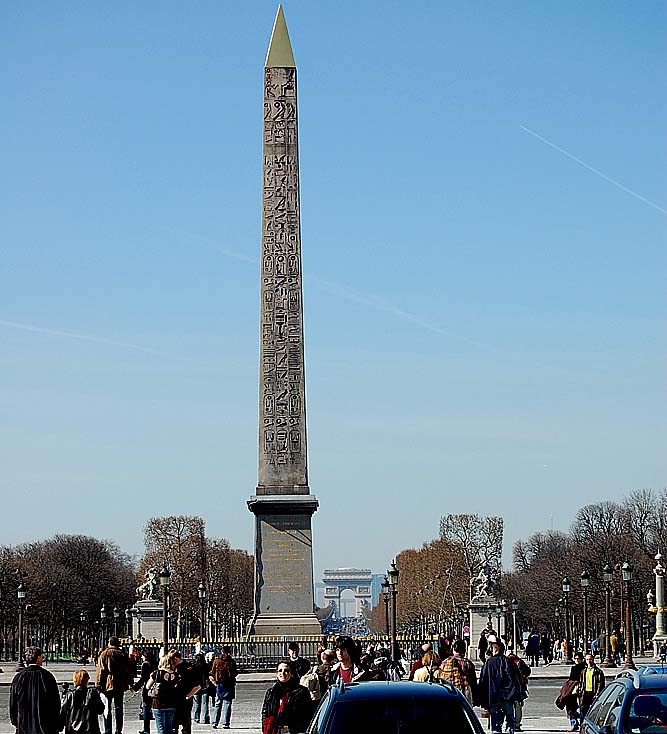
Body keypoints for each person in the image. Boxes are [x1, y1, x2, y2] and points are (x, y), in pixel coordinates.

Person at [9, 646, 61, 734]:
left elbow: (13, 704)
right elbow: (55, 703)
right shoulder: (47, 677)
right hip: (45, 726)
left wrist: (16, 722)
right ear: (38, 658)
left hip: (24, 725)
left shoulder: (18, 678)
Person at [478, 640, 523, 734]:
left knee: (495, 723)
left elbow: (483, 682)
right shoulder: (509, 662)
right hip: (508, 696)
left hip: (493, 696)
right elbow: (516, 680)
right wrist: (518, 695)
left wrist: (482, 699)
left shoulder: (488, 664)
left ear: (494, 650)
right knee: (510, 719)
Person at [261, 660, 313, 734]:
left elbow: (307, 714)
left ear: (291, 674)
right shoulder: (271, 692)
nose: (282, 673)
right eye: (280, 671)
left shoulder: (301, 691)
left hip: (292, 730)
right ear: (277, 673)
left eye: (286, 671)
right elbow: (265, 713)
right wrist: (265, 728)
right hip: (273, 729)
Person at [96, 636, 134, 734]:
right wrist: (130, 682)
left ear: (109, 643)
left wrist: (98, 684)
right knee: (119, 707)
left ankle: (108, 729)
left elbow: (101, 670)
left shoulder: (104, 654)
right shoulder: (122, 654)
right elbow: (129, 670)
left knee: (107, 707)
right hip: (120, 683)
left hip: (107, 683)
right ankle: (118, 729)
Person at [60, 669, 105, 734]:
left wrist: (59, 727)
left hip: (73, 730)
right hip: (91, 729)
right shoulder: (92, 693)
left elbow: (63, 713)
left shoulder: (70, 695)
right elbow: (100, 710)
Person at [148, 651, 180, 734]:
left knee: (160, 727)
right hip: (171, 702)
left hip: (158, 703)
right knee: (169, 727)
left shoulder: (157, 673)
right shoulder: (175, 675)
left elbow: (147, 686)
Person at [438, 639, 478, 705]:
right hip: (463, 691)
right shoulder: (467, 663)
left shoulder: (445, 662)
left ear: (453, 649)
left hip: (448, 691)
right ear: (464, 650)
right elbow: (473, 681)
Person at [556, 651, 586, 732]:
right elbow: (571, 678)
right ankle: (574, 723)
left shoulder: (584, 668)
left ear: (582, 659)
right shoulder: (574, 668)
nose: (577, 660)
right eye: (575, 658)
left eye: (578, 658)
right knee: (570, 705)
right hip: (572, 688)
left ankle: (582, 722)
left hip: (582, 688)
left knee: (583, 706)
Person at [210, 646, 238, 730]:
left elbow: (213, 671)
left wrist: (215, 679)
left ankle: (215, 722)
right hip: (229, 684)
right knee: (227, 704)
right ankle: (226, 723)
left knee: (218, 703)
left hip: (220, 684)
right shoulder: (231, 662)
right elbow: (235, 672)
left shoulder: (217, 661)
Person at [172, 651, 200, 734]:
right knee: (173, 723)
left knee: (186, 723)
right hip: (174, 699)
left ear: (176, 659)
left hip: (185, 699)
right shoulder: (172, 667)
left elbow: (198, 686)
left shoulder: (189, 668)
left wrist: (188, 696)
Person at [506, 647, 531, 732]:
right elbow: (528, 671)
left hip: (508, 689)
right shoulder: (519, 661)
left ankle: (510, 723)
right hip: (519, 688)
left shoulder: (505, 662)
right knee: (518, 707)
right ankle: (516, 724)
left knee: (509, 706)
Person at [578, 653, 604, 720]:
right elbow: (581, 682)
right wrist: (580, 691)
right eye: (587, 659)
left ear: (593, 660)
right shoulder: (583, 671)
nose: (589, 661)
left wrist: (598, 693)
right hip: (585, 693)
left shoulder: (598, 671)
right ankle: (582, 725)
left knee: (594, 710)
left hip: (594, 693)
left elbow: (600, 683)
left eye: (590, 659)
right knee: (583, 710)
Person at [134, 650, 155, 734]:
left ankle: (146, 729)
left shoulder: (145, 664)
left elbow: (143, 678)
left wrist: (135, 687)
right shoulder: (155, 663)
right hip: (155, 688)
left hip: (147, 687)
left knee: (146, 708)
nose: (141, 658)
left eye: (142, 656)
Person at [191, 652, 211, 725]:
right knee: (205, 703)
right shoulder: (206, 666)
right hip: (204, 685)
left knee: (197, 703)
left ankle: (197, 718)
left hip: (196, 686)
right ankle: (206, 718)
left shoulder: (194, 667)